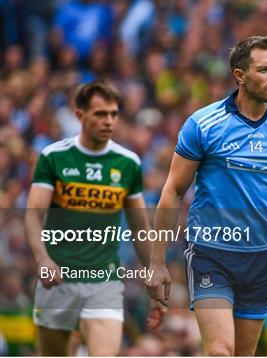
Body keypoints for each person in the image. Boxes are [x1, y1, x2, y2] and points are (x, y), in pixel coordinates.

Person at [145, 36, 267, 356]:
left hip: (259, 257)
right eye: (265, 69)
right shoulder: (204, 124)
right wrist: (157, 261)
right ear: (240, 76)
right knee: (219, 351)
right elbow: (173, 191)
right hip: (210, 252)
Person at [24, 80, 163, 356]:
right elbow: (32, 216)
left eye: (113, 114)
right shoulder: (54, 157)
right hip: (58, 279)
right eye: (100, 114)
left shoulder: (128, 163)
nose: (108, 121)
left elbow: (139, 228)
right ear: (80, 116)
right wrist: (43, 259)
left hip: (104, 280)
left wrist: (154, 277)